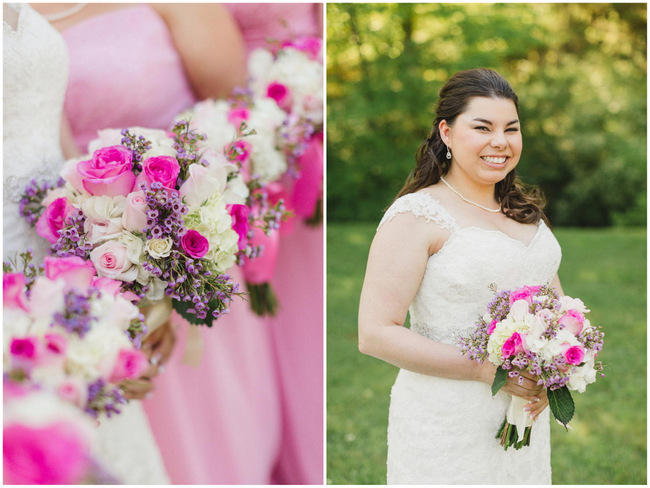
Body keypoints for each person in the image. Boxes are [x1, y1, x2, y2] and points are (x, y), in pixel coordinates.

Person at [358, 68, 563, 484]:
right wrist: (483, 370)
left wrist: (555, 365)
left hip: (523, 416)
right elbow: (375, 332)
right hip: (446, 422)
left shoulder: (526, 212)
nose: (500, 142)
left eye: (511, 128)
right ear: (447, 133)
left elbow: (557, 307)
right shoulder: (417, 215)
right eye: (482, 127)